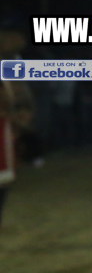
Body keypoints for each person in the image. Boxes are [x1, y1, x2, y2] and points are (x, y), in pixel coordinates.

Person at [0, 27, 34, 230]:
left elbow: (20, 95)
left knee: (4, 183)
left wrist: (22, 113)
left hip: (6, 130)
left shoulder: (11, 64)